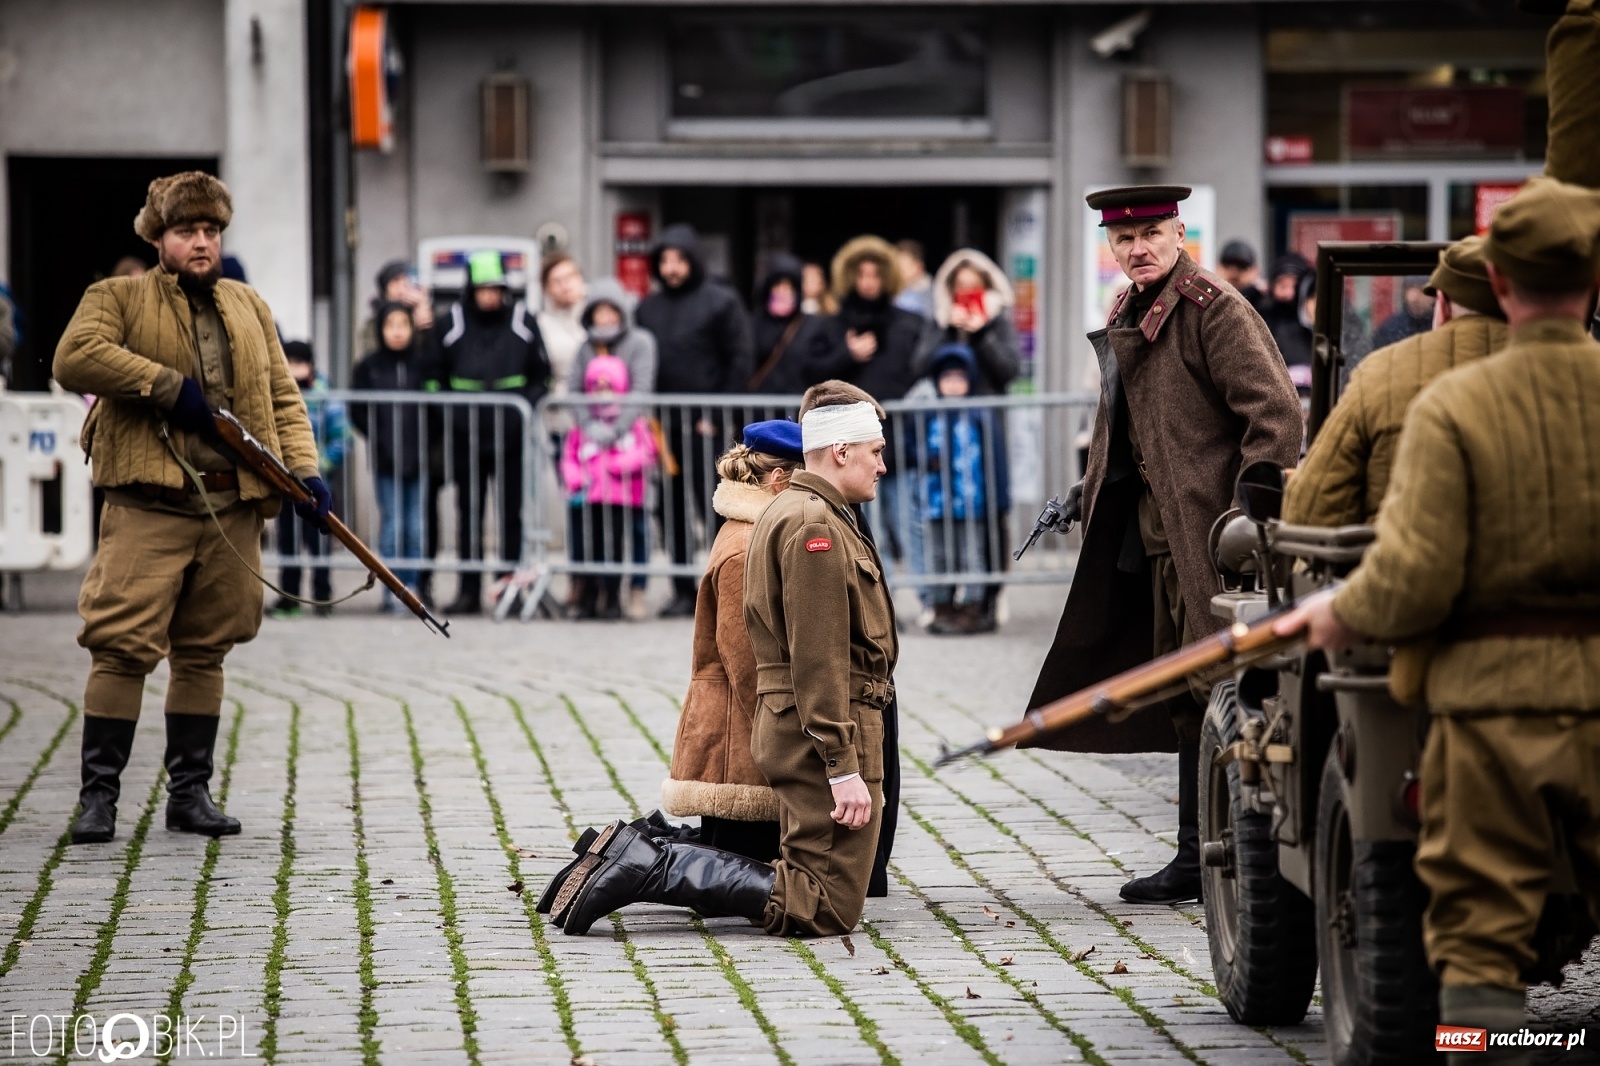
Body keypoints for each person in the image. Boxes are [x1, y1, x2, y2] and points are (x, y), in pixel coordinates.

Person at [1277, 175, 1600, 1066]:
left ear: (1498, 286)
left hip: (1489, 710)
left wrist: (1342, 612)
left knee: (1479, 940)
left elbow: (1412, 580)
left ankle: (1487, 1048)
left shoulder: (1454, 404)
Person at [1025, 185, 1301, 906]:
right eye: (1123, 239)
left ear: (1180, 231)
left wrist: (1246, 527)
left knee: (1223, 692)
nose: (1137, 248)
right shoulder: (1129, 307)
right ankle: (1196, 855)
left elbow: (1274, 421)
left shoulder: (1215, 309)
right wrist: (1085, 494)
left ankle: (1245, 859)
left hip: (1213, 543)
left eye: (1150, 233)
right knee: (1186, 695)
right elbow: (1126, 430)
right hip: (1154, 540)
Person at [551, 395, 895, 939]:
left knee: (819, 889)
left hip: (821, 725)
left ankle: (645, 854)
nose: (883, 464)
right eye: (875, 451)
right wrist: (842, 763)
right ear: (841, 450)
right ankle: (647, 862)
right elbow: (814, 657)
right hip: (818, 730)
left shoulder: (806, 513)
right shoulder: (811, 524)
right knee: (822, 904)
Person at [52, 171, 325, 843]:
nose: (201, 243)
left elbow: (282, 398)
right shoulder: (117, 296)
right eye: (186, 231)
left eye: (210, 231)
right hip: (148, 505)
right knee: (120, 648)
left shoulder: (249, 305)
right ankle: (99, 798)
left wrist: (306, 473)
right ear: (158, 237)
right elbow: (74, 357)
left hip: (231, 509)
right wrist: (163, 387)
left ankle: (190, 794)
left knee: (205, 651)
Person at [1284, 236, 1507, 528]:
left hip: (1398, 562)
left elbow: (1313, 507)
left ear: (1443, 306)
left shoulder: (1380, 372)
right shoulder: (1557, 374)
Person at [661, 422, 805, 862]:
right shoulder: (748, 544)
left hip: (742, 735)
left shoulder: (757, 530)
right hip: (737, 741)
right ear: (779, 479)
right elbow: (745, 657)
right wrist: (784, 736)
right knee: (740, 874)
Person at [635, 223, 754, 617]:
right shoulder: (647, 308)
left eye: (679, 259)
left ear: (693, 261)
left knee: (716, 508)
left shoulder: (720, 302)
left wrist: (717, 415)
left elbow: (738, 360)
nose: (671, 268)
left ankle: (726, 587)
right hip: (664, 429)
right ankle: (683, 590)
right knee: (670, 511)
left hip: (708, 428)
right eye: (665, 260)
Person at [429, 249, 551, 615]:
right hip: (465, 435)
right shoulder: (450, 322)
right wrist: (452, 414)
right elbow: (434, 376)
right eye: (483, 289)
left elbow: (540, 376)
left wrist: (522, 410)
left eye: (496, 289)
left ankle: (507, 588)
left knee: (511, 513)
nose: (489, 296)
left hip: (511, 435)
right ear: (471, 289)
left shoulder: (522, 320)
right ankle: (468, 590)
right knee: (468, 511)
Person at [911, 248, 1023, 631]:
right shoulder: (938, 318)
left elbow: (1009, 369)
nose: (966, 293)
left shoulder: (999, 319)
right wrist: (947, 328)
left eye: (974, 287)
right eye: (960, 287)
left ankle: (986, 600)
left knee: (989, 515)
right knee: (947, 523)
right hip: (942, 433)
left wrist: (983, 333)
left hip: (984, 430)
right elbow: (920, 365)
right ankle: (948, 603)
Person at [809, 236, 926, 598]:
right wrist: (847, 353)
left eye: (876, 273)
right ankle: (876, 599)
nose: (869, 281)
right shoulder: (833, 324)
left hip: (900, 439)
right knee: (866, 529)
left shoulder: (909, 322)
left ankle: (927, 600)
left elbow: (918, 370)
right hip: (851, 445)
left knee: (909, 523)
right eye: (861, 273)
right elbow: (813, 371)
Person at [350, 302, 434, 612]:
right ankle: (391, 588)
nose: (397, 332)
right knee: (392, 525)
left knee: (415, 526)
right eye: (390, 325)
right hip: (386, 458)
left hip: (418, 456)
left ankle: (412, 584)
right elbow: (357, 409)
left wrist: (428, 440)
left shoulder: (422, 364)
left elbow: (436, 409)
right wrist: (378, 436)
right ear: (381, 329)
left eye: (403, 325)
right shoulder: (369, 366)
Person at [561, 356, 657, 620]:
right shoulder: (583, 427)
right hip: (587, 497)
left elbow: (646, 452)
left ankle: (612, 597)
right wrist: (576, 478)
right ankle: (587, 598)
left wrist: (617, 465)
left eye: (609, 385)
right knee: (585, 548)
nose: (602, 392)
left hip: (620, 497)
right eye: (597, 386)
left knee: (613, 548)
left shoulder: (632, 424)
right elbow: (569, 456)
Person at [922, 343, 1006, 635]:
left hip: (973, 501)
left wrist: (1000, 497)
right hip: (935, 502)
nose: (954, 385)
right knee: (939, 555)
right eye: (947, 378)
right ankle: (942, 607)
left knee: (973, 555)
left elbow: (996, 458)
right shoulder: (928, 415)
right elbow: (912, 449)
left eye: (960, 378)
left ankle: (972, 609)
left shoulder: (980, 414)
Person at [268, 341, 345, 618]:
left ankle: (322, 595)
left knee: (318, 539)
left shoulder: (324, 394)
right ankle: (290, 598)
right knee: (288, 539)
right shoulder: (275, 391)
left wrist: (319, 467)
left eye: (299, 363)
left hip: (316, 481)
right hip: (286, 481)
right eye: (289, 363)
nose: (294, 369)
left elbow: (340, 437)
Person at [746, 255, 830, 396]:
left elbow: (821, 366)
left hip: (798, 407)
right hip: (761, 406)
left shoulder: (812, 325)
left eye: (789, 287)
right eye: (778, 286)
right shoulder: (754, 324)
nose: (783, 292)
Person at [537, 254, 588, 439]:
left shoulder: (601, 317)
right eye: (557, 281)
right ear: (546, 288)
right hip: (559, 421)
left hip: (599, 419)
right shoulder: (540, 325)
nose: (565, 285)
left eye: (570, 277)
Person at [362, 260, 435, 354]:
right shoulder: (373, 324)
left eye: (406, 283)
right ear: (385, 290)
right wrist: (411, 328)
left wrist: (427, 326)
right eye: (396, 282)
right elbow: (374, 356)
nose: (402, 290)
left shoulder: (427, 315)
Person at [1261, 252, 1315, 373]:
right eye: (1282, 285)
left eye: (1294, 286)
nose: (1288, 294)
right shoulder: (1261, 318)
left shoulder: (1315, 323)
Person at [1370, 276, 1434, 350]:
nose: (1413, 298)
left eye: (1421, 289)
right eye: (1408, 288)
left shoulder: (1443, 327)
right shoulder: (1389, 331)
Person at [1217, 239, 1266, 310]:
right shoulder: (1209, 300)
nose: (1233, 273)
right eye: (1227, 265)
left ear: (1255, 271)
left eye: (1242, 266)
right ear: (1218, 267)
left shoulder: (1267, 305)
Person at [893, 239, 934, 319]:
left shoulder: (934, 294)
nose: (896, 274)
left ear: (918, 267)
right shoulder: (890, 292)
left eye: (901, 270)